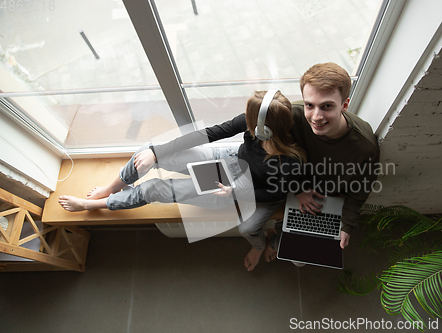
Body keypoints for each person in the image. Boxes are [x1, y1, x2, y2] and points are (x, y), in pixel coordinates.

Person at [59, 90, 306, 272]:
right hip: (229, 159)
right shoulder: (256, 125)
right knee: (149, 149)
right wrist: (158, 154)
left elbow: (274, 195)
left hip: (239, 189)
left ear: (265, 128)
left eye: (249, 119)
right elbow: (208, 134)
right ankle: (113, 187)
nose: (245, 121)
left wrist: (233, 192)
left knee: (154, 189)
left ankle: (94, 205)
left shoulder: (290, 162)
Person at [265, 63, 380, 263]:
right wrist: (298, 189)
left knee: (303, 258)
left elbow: (360, 188)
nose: (316, 117)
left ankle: (276, 243)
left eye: (327, 106)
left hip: (327, 198)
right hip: (295, 188)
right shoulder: (292, 115)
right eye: (310, 105)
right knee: (293, 247)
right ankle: (275, 241)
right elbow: (269, 153)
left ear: (344, 105)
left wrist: (347, 224)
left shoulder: (365, 146)